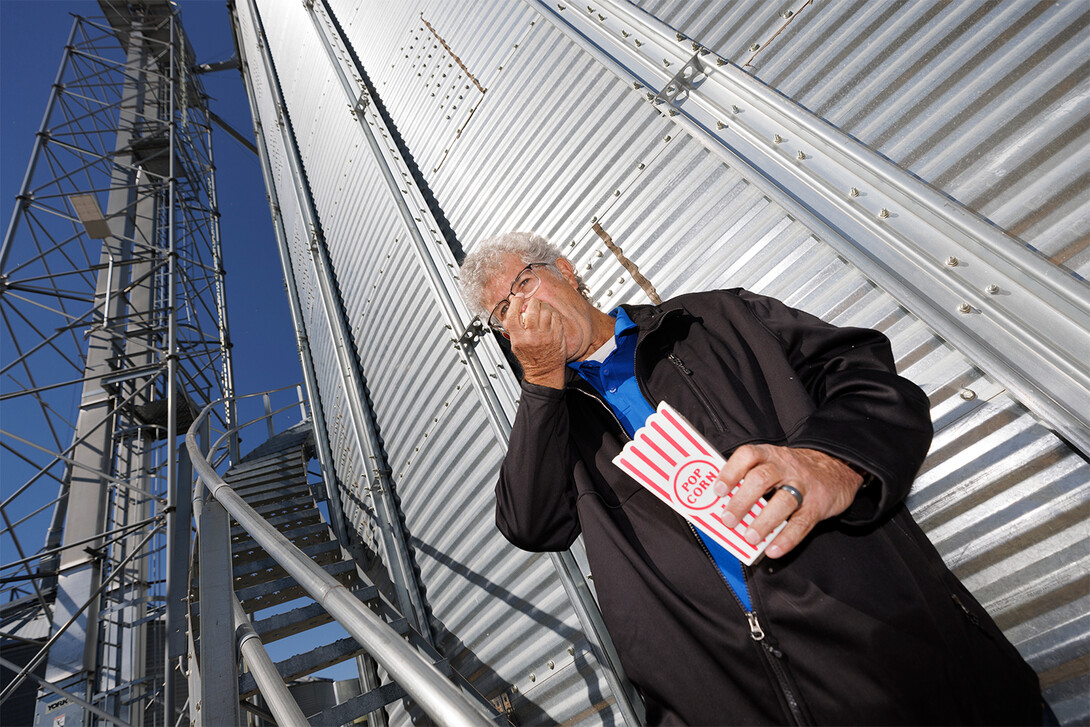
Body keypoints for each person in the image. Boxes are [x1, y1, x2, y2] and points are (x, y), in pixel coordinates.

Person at [459, 231, 1044, 726]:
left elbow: (868, 378)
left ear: (566, 271)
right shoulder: (556, 426)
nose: (519, 314)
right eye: (501, 314)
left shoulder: (712, 321)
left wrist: (829, 460)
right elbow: (532, 525)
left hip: (902, 669)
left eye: (522, 286)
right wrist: (540, 386)